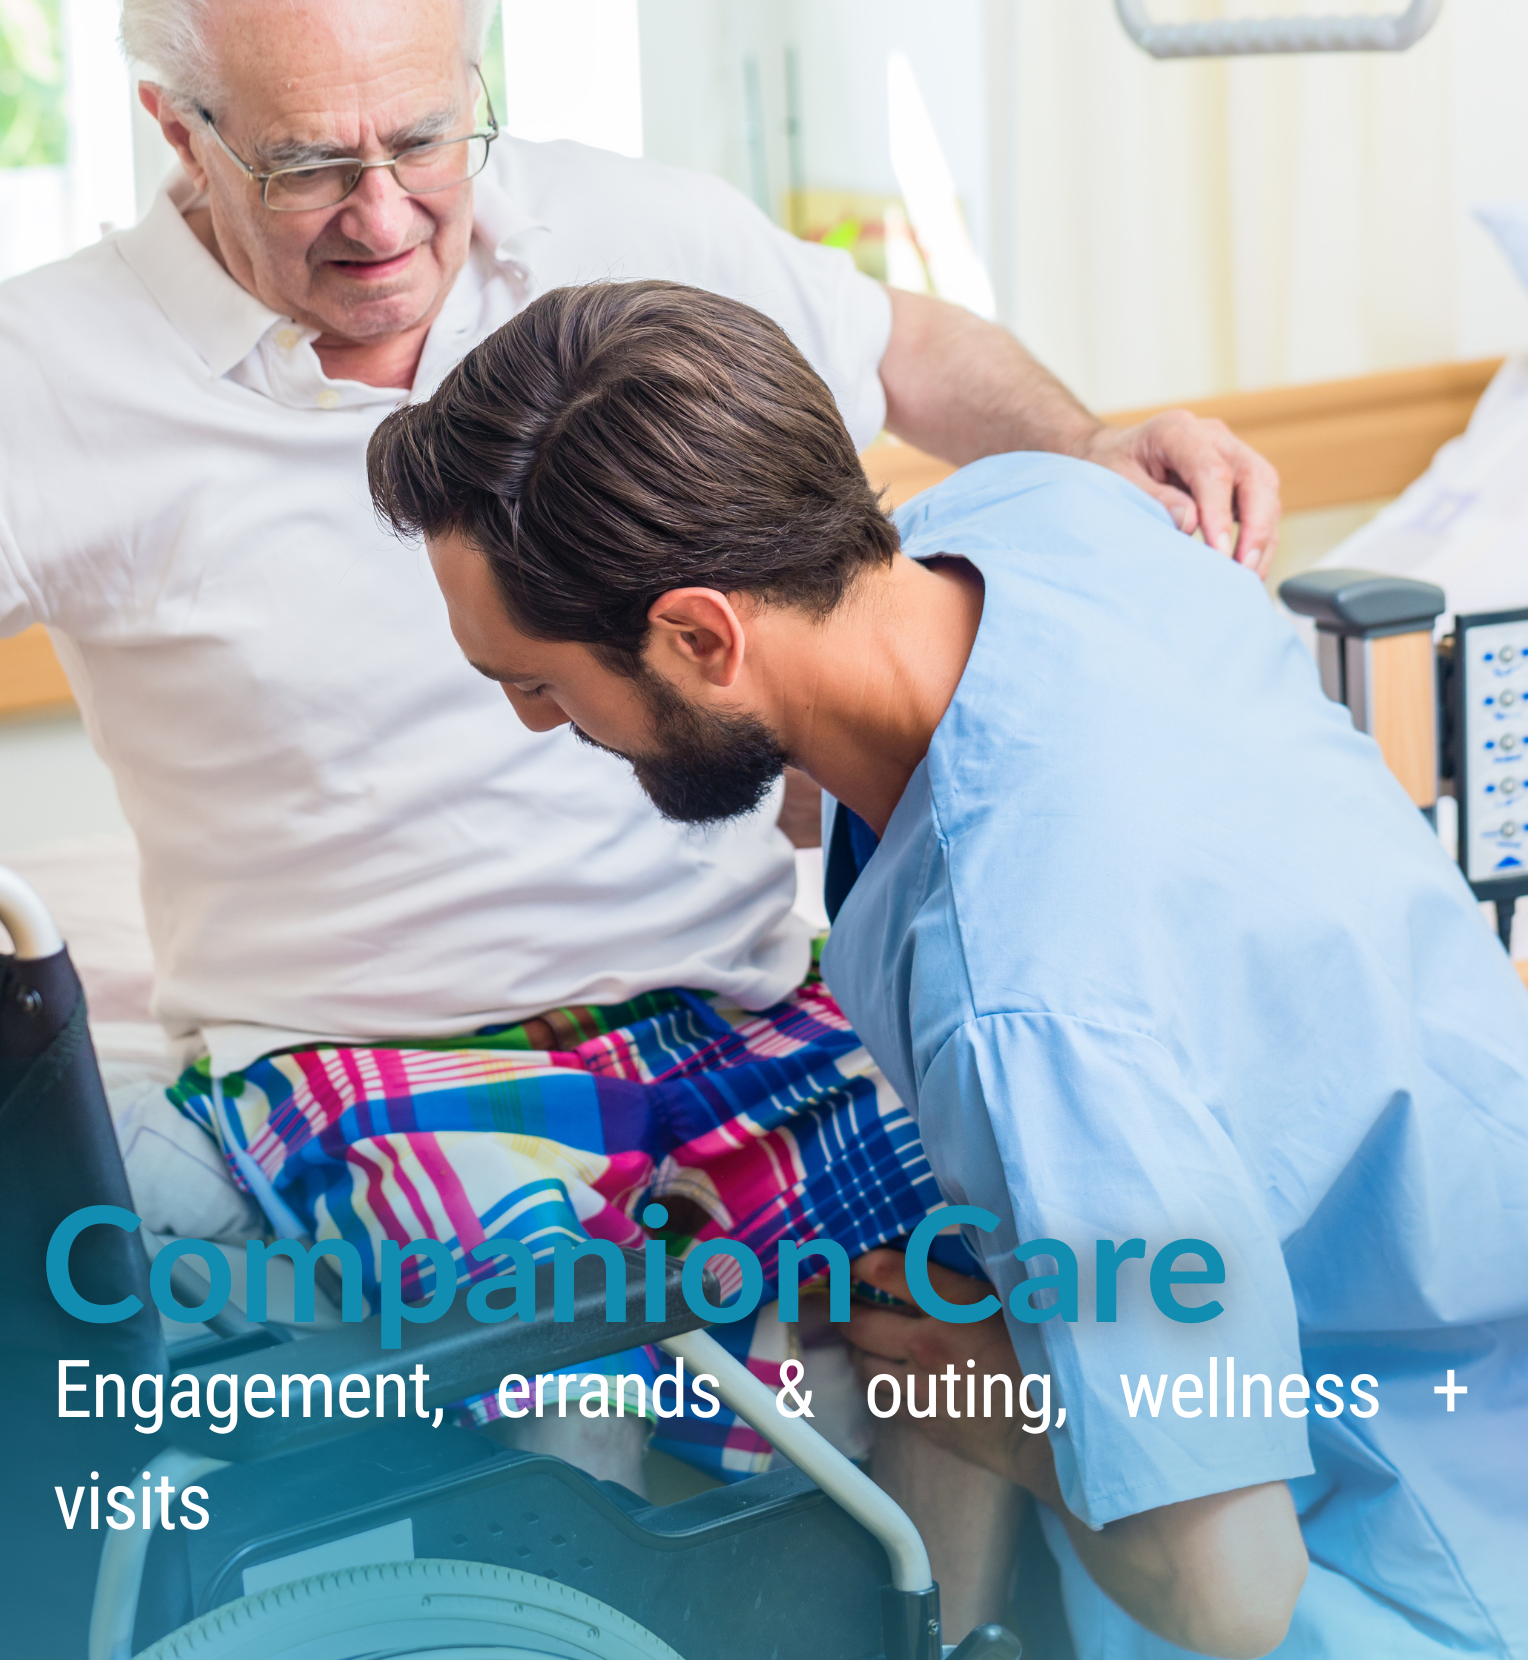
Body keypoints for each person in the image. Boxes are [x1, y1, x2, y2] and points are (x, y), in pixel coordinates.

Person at [0, 0, 1274, 1609]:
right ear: (175, 129)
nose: (385, 215)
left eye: (421, 141)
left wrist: (1092, 440)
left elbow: (899, 350)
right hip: (379, 1046)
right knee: (575, 1360)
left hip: (743, 996)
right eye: (312, 165)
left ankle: (952, 1644)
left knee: (988, 1266)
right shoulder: (44, 371)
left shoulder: (627, 226)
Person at [370, 278, 1528, 1660]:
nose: (531, 719)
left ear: (698, 636)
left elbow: (1232, 1594)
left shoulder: (1025, 999)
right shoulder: (1046, 516)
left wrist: (962, 1382)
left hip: (1420, 1546)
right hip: (1457, 1263)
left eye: (547, 686)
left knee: (899, 1345)